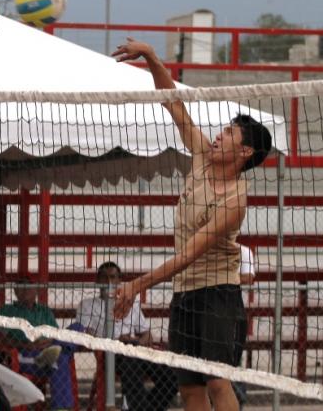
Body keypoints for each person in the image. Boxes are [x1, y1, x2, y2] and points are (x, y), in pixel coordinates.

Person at [111, 38, 272, 411]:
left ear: (245, 152)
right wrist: (151, 56)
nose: (218, 135)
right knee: (189, 391)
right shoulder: (202, 157)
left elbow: (189, 255)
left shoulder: (235, 199)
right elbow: (173, 104)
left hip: (218, 293)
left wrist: (138, 284)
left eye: (229, 134)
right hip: (185, 294)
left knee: (217, 382)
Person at [76, 261, 177, 411]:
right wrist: (116, 342)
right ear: (97, 281)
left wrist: (137, 342)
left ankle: (143, 408)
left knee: (172, 377)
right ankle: (140, 407)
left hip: (136, 350)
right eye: (104, 277)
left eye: (113, 277)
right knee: (130, 359)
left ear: (119, 281)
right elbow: (86, 337)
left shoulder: (131, 303)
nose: (109, 281)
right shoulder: (87, 305)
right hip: (108, 352)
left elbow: (147, 334)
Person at [0, 277, 79, 411]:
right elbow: (0, 340)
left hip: (49, 347)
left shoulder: (44, 311)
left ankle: (55, 352)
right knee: (61, 359)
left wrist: (49, 341)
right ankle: (61, 408)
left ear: (36, 290)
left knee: (78, 327)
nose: (26, 291)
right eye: (22, 288)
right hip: (26, 353)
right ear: (15, 291)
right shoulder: (7, 310)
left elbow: (56, 334)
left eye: (29, 287)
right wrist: (29, 345)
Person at [232, 244, 257, 409]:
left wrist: (224, 277)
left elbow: (248, 277)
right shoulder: (207, 246)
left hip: (233, 309)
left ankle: (239, 399)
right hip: (208, 308)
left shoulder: (243, 251)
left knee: (234, 360)